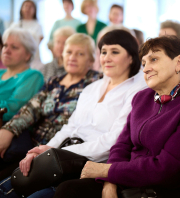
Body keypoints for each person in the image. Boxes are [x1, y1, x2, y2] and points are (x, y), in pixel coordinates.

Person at [52, 36, 180, 198]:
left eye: (154, 59)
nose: (146, 68)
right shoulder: (142, 98)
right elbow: (121, 146)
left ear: (178, 62)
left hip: (163, 190)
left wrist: (107, 172)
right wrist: (110, 184)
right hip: (127, 180)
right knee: (68, 189)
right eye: (144, 63)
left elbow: (168, 168)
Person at [0, 29, 147, 198]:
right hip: (63, 154)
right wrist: (46, 149)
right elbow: (70, 127)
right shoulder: (92, 88)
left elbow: (112, 142)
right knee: (6, 188)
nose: (107, 58)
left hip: (89, 162)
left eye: (115, 52)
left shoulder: (137, 91)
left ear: (131, 57)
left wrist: (59, 152)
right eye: (104, 52)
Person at [0, 33, 99, 179]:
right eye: (69, 52)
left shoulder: (96, 83)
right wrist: (8, 130)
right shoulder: (54, 81)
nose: (72, 57)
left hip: (59, 151)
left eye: (80, 54)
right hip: (31, 143)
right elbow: (31, 109)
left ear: (90, 60)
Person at [0, 28, 44, 123]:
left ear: (28, 55)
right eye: (5, 45)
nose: (6, 51)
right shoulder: (0, 72)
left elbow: (11, 110)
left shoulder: (33, 76)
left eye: (14, 47)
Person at [9, 0, 44, 70]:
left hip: (34, 59)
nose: (27, 9)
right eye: (26, 6)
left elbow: (39, 41)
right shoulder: (15, 25)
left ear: (34, 10)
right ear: (21, 9)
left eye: (30, 7)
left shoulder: (38, 26)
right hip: (17, 57)